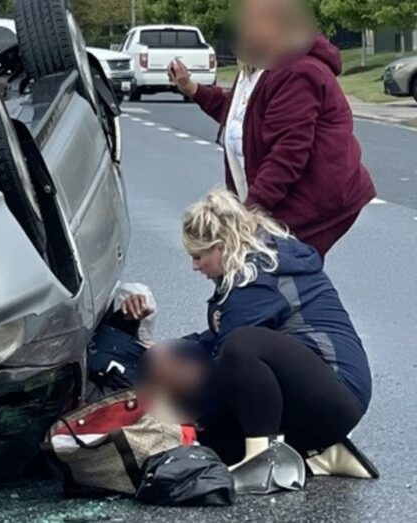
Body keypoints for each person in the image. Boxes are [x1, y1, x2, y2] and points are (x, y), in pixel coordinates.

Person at [145, 189, 374, 477]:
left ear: (220, 248)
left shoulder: (257, 278)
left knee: (240, 347)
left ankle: (263, 461)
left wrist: (178, 407)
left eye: (198, 256)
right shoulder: (253, 265)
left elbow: (228, 360)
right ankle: (321, 452)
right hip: (320, 392)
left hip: (338, 391)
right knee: (214, 444)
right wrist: (174, 349)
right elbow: (218, 341)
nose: (195, 266)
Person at [167, 0, 376, 260]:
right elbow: (244, 118)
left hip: (313, 203)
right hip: (285, 202)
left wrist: (250, 213)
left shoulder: (298, 71)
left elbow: (288, 153)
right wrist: (193, 90)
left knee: (277, 274)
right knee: (270, 275)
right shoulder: (258, 68)